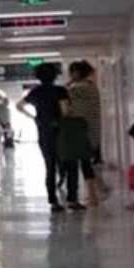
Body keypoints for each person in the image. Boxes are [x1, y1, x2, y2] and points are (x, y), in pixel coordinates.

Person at [17, 62, 70, 212]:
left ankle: (53, 201)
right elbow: (65, 111)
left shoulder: (35, 92)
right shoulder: (60, 91)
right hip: (60, 130)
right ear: (55, 76)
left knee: (49, 165)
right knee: (64, 160)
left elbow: (19, 106)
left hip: (44, 131)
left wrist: (34, 117)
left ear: (38, 77)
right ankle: (64, 180)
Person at [62, 61, 104, 206]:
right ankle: (97, 191)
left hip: (82, 130)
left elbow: (63, 96)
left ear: (77, 73)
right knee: (86, 162)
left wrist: (69, 84)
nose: (70, 75)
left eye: (71, 72)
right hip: (91, 130)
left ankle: (93, 196)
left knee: (84, 163)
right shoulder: (92, 86)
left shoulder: (78, 89)